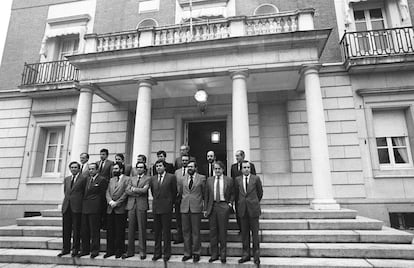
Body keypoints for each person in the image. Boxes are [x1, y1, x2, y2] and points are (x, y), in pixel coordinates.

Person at [205, 161, 234, 264]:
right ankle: (214, 254)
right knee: (213, 232)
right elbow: (206, 195)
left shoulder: (229, 180)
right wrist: (205, 209)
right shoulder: (209, 180)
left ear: (223, 169)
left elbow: (232, 193)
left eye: (219, 169)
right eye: (215, 169)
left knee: (222, 232)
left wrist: (229, 204)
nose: (217, 171)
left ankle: (223, 254)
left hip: (223, 206)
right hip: (212, 207)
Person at [235, 161, 263, 265]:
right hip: (243, 210)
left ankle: (256, 255)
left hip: (253, 210)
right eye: (244, 167)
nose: (246, 169)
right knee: (245, 234)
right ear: (241, 169)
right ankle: (246, 255)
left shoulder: (256, 179)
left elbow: (260, 193)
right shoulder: (237, 180)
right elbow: (236, 194)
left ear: (250, 168)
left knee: (255, 234)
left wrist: (253, 202)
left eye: (248, 167)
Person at [178, 160, 206, 263]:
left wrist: (204, 206)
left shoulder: (202, 178)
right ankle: (187, 253)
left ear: (196, 168)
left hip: (196, 207)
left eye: (191, 166)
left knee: (195, 232)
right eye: (188, 166)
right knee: (186, 232)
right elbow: (181, 192)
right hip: (185, 207)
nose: (189, 168)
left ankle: (196, 252)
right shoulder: (182, 178)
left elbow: (204, 193)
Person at [150, 159, 177, 262]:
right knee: (157, 232)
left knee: (166, 232)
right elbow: (153, 192)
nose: (158, 168)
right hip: (156, 207)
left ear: (164, 167)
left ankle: (166, 253)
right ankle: (157, 253)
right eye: (157, 166)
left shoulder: (171, 177)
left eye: (160, 166)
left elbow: (174, 191)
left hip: (166, 207)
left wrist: (170, 202)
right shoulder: (153, 178)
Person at [58, 161, 87, 257]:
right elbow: (66, 192)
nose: (73, 169)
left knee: (76, 229)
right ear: (69, 169)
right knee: (66, 229)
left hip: (77, 207)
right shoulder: (67, 179)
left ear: (79, 169)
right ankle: (65, 248)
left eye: (75, 167)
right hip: (67, 207)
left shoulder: (83, 179)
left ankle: (75, 248)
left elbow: (84, 193)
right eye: (72, 167)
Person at [123, 162, 150, 260]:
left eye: (141, 167)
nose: (139, 169)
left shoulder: (147, 178)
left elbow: (145, 191)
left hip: (141, 205)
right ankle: (130, 251)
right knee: (130, 229)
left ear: (144, 169)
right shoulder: (131, 178)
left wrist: (133, 189)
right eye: (137, 167)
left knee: (142, 229)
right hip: (131, 205)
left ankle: (142, 252)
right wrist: (137, 191)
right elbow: (127, 190)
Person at [80, 163, 107, 258]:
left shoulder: (102, 180)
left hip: (95, 208)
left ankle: (95, 250)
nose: (90, 171)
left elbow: (103, 196)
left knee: (94, 230)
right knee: (84, 230)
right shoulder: (86, 179)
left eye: (92, 169)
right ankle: (85, 249)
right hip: (85, 208)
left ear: (97, 170)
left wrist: (102, 211)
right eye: (89, 169)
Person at [104, 163, 128, 259]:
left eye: (116, 169)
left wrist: (117, 203)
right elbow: (107, 192)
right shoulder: (111, 180)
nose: (114, 170)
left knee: (119, 231)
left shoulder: (127, 179)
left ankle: (119, 250)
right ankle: (110, 250)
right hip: (110, 208)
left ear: (121, 169)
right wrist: (110, 201)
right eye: (113, 169)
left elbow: (126, 193)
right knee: (110, 231)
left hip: (120, 208)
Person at [230, 150, 256, 233]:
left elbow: (254, 179)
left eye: (238, 156)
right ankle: (241, 229)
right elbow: (232, 180)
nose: (236, 158)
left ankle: (250, 229)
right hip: (237, 193)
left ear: (243, 156)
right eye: (236, 156)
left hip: (248, 193)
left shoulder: (250, 166)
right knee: (239, 211)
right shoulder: (233, 167)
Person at [173, 154, 191, 244]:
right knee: (178, 219)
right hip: (178, 198)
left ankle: (188, 238)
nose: (184, 162)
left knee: (187, 219)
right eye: (183, 160)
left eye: (186, 160)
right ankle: (179, 236)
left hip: (187, 198)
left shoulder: (191, 171)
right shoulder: (177, 172)